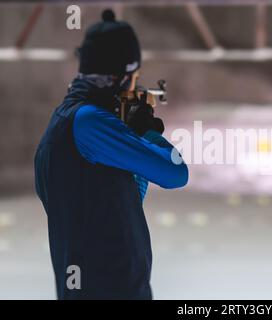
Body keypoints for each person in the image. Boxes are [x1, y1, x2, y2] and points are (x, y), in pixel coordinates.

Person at [34, 9, 188, 300]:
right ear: (122, 77)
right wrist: (146, 131)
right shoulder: (90, 124)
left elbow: (125, 199)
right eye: (134, 78)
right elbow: (176, 172)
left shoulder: (64, 123)